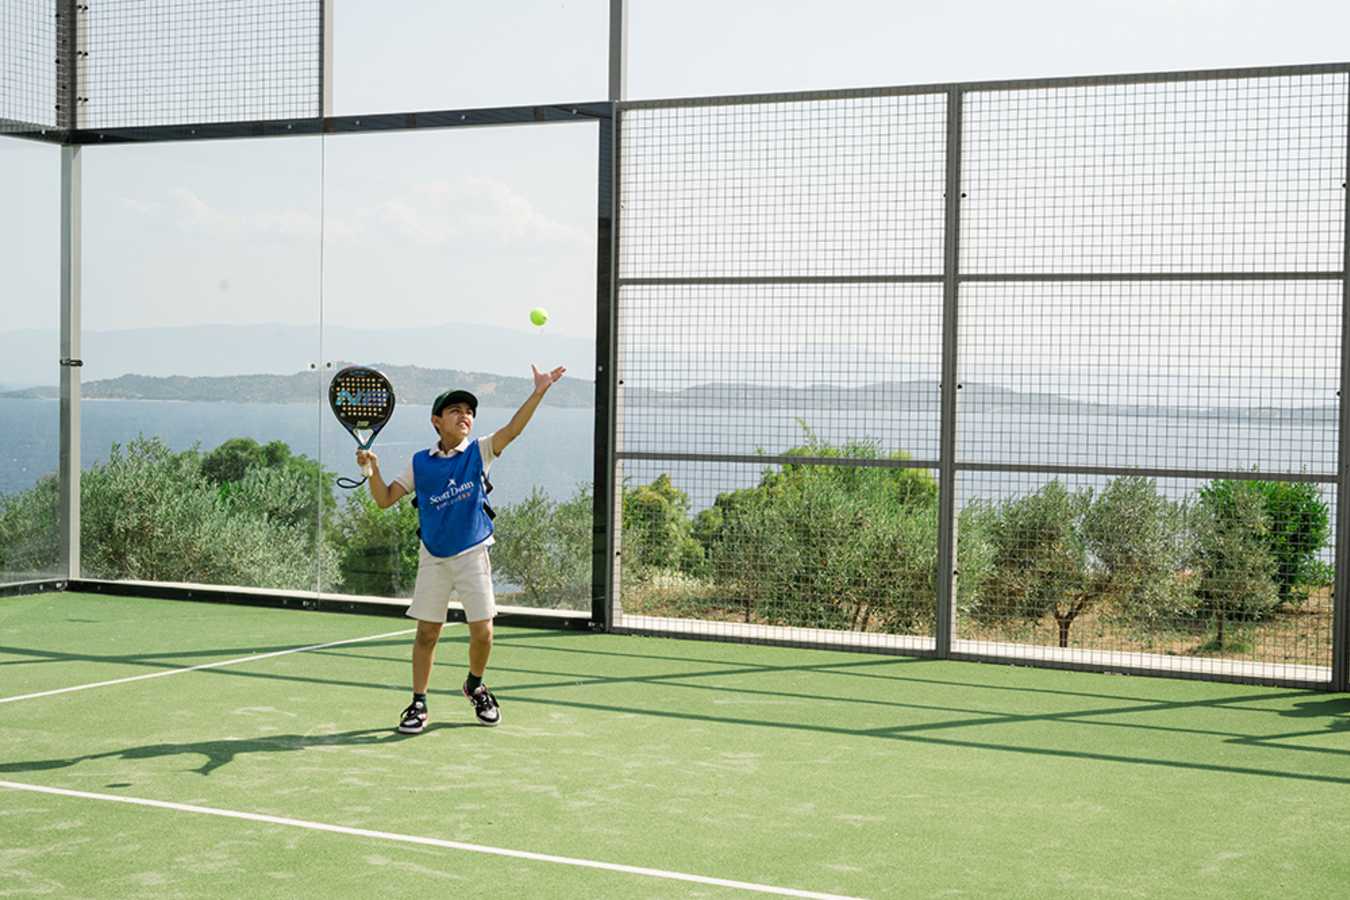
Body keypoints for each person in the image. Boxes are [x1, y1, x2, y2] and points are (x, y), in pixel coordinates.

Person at [356, 363, 566, 734]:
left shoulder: (480, 452)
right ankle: (418, 703)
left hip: (472, 553)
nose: (464, 416)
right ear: (437, 421)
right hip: (434, 557)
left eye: (469, 412)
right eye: (455, 411)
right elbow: (386, 500)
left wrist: (539, 392)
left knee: (483, 631)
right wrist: (372, 471)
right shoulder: (420, 462)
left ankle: (475, 685)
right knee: (427, 633)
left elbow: (513, 430)